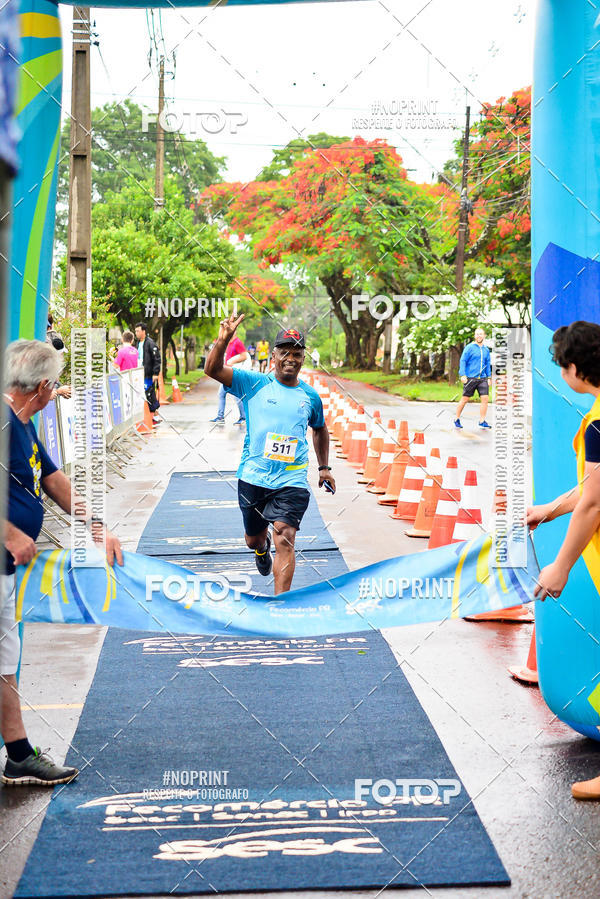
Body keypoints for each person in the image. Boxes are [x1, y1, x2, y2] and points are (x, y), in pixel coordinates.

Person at [1, 340, 123, 786]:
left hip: (6, 569)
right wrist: (11, 532)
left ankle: (18, 755)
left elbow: (53, 480)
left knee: (4, 660)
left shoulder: (23, 424)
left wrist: (96, 527)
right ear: (44, 386)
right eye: (55, 382)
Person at [204, 316, 335, 594]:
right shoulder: (253, 383)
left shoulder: (310, 397)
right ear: (273, 355)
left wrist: (324, 467)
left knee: (286, 538)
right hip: (253, 476)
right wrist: (224, 338)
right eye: (284, 352)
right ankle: (261, 550)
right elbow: (212, 369)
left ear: (303, 358)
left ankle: (280, 605)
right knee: (253, 539)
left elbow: (320, 429)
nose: (290, 358)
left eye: (297, 354)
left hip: (292, 479)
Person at [526, 321, 600, 801]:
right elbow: (590, 487)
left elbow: (595, 501)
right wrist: (549, 509)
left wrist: (561, 566)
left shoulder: (597, 423)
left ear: (575, 369)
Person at [454, 327, 492, 429]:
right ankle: (456, 418)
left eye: (481, 334)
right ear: (475, 336)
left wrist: (489, 377)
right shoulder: (469, 347)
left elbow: (488, 364)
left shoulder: (486, 349)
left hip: (483, 379)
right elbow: (463, 361)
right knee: (465, 399)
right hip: (470, 378)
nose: (479, 336)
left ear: (484, 336)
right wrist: (462, 375)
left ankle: (482, 421)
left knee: (485, 399)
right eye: (477, 334)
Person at [209, 332, 248, 426]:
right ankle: (220, 417)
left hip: (233, 373)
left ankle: (243, 418)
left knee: (237, 396)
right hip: (227, 372)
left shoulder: (237, 342)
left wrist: (232, 361)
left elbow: (244, 355)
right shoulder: (229, 343)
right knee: (221, 394)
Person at [134, 322, 161, 424]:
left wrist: (155, 373)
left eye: (138, 331)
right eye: (135, 331)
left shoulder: (150, 343)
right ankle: (148, 416)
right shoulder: (137, 343)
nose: (136, 333)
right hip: (139, 373)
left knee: (149, 393)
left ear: (143, 331)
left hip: (148, 374)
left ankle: (155, 415)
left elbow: (157, 359)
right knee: (143, 394)